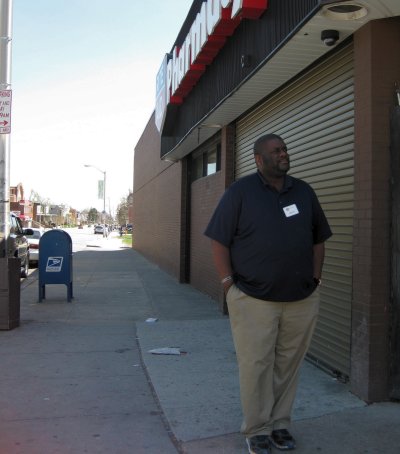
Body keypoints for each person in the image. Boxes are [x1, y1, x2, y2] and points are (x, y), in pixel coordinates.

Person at [204, 133, 332, 454]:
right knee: (256, 364)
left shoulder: (303, 192)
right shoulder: (240, 193)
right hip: (253, 299)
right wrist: (227, 284)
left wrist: (316, 277)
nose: (283, 154)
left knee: (288, 366)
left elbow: (319, 237)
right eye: (276, 151)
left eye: (285, 149)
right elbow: (219, 239)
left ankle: (280, 424)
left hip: (301, 298)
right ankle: (257, 428)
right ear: (259, 160)